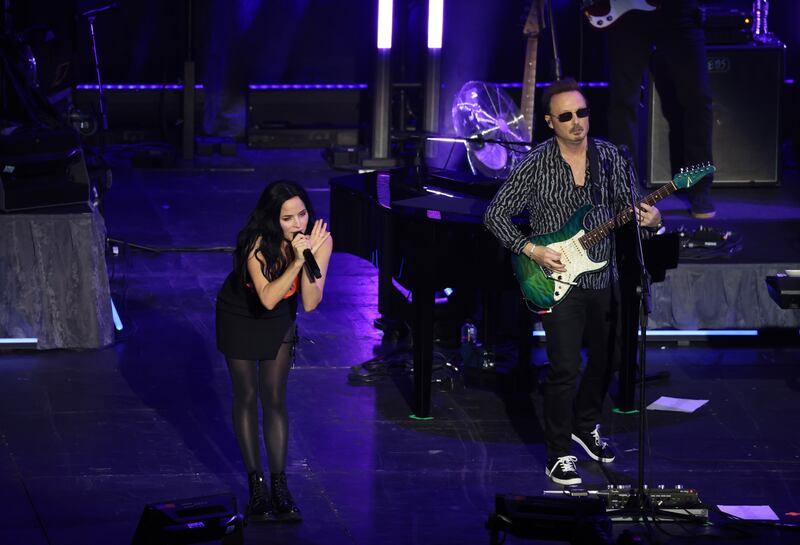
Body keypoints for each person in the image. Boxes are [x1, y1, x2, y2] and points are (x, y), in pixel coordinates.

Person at [483, 78, 662, 486]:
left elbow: (633, 213)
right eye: (566, 116)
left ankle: (586, 426)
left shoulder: (611, 157)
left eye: (582, 113)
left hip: (605, 276)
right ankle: (558, 453)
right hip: (556, 278)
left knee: (609, 360)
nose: (577, 122)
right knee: (564, 369)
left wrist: (653, 220)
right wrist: (532, 250)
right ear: (550, 121)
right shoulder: (535, 163)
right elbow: (494, 215)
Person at [216, 180, 332, 521]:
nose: (298, 224)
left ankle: (280, 487)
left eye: (302, 214)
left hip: (279, 317)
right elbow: (265, 297)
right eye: (288, 218)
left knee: (275, 396)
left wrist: (310, 255)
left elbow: (310, 303)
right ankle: (256, 487)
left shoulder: (319, 240)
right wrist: (296, 262)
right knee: (247, 395)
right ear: (273, 220)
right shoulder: (255, 242)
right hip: (241, 312)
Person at [606, 0, 715, 218]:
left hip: (677, 12)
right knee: (623, 103)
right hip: (627, 14)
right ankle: (625, 192)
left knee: (698, 100)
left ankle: (699, 187)